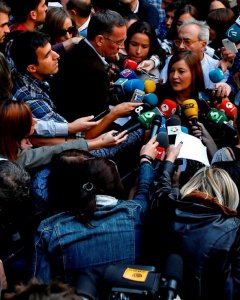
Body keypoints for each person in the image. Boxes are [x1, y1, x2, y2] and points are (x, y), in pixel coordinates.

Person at [32, 136, 158, 285]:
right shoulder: (136, 212)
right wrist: (146, 160)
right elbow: (144, 188)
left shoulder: (48, 231)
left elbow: (38, 288)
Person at [151, 142, 240, 300]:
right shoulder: (234, 231)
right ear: (230, 195)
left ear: (193, 184)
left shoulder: (166, 206)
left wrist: (170, 160)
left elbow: (161, 189)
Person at [10, 30, 99, 146]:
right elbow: (73, 133)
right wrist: (114, 114)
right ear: (32, 68)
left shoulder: (19, 67)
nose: (56, 56)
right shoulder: (31, 99)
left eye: (52, 49)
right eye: (47, 55)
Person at [0, 100, 127, 169]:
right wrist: (99, 143)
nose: (35, 122)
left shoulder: (8, 137)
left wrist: (70, 128)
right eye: (29, 121)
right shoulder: (12, 160)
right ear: (16, 131)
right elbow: (51, 151)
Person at [51, 9, 127, 122]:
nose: (122, 47)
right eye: (118, 42)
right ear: (100, 40)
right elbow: (99, 118)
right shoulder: (95, 72)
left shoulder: (79, 46)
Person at [160, 18, 232, 96]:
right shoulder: (170, 61)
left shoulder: (217, 68)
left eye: (187, 42)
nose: (181, 46)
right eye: (178, 41)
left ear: (203, 44)